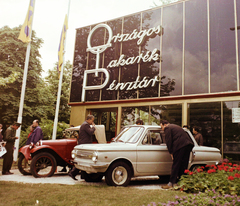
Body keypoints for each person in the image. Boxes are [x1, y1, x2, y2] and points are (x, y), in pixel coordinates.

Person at [160, 120, 194, 189]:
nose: (162, 129)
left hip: (179, 146)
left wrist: (171, 152)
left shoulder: (168, 128)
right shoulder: (176, 126)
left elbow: (168, 141)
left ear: (164, 125)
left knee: (176, 164)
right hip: (188, 145)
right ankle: (183, 182)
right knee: (184, 165)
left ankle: (171, 183)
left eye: (161, 127)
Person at [68, 114, 96, 180]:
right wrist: (94, 127)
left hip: (83, 143)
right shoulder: (86, 125)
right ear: (89, 119)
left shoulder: (84, 124)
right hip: (84, 144)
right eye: (92, 120)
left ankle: (82, 175)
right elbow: (90, 132)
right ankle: (73, 173)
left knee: (84, 160)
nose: (92, 122)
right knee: (83, 160)